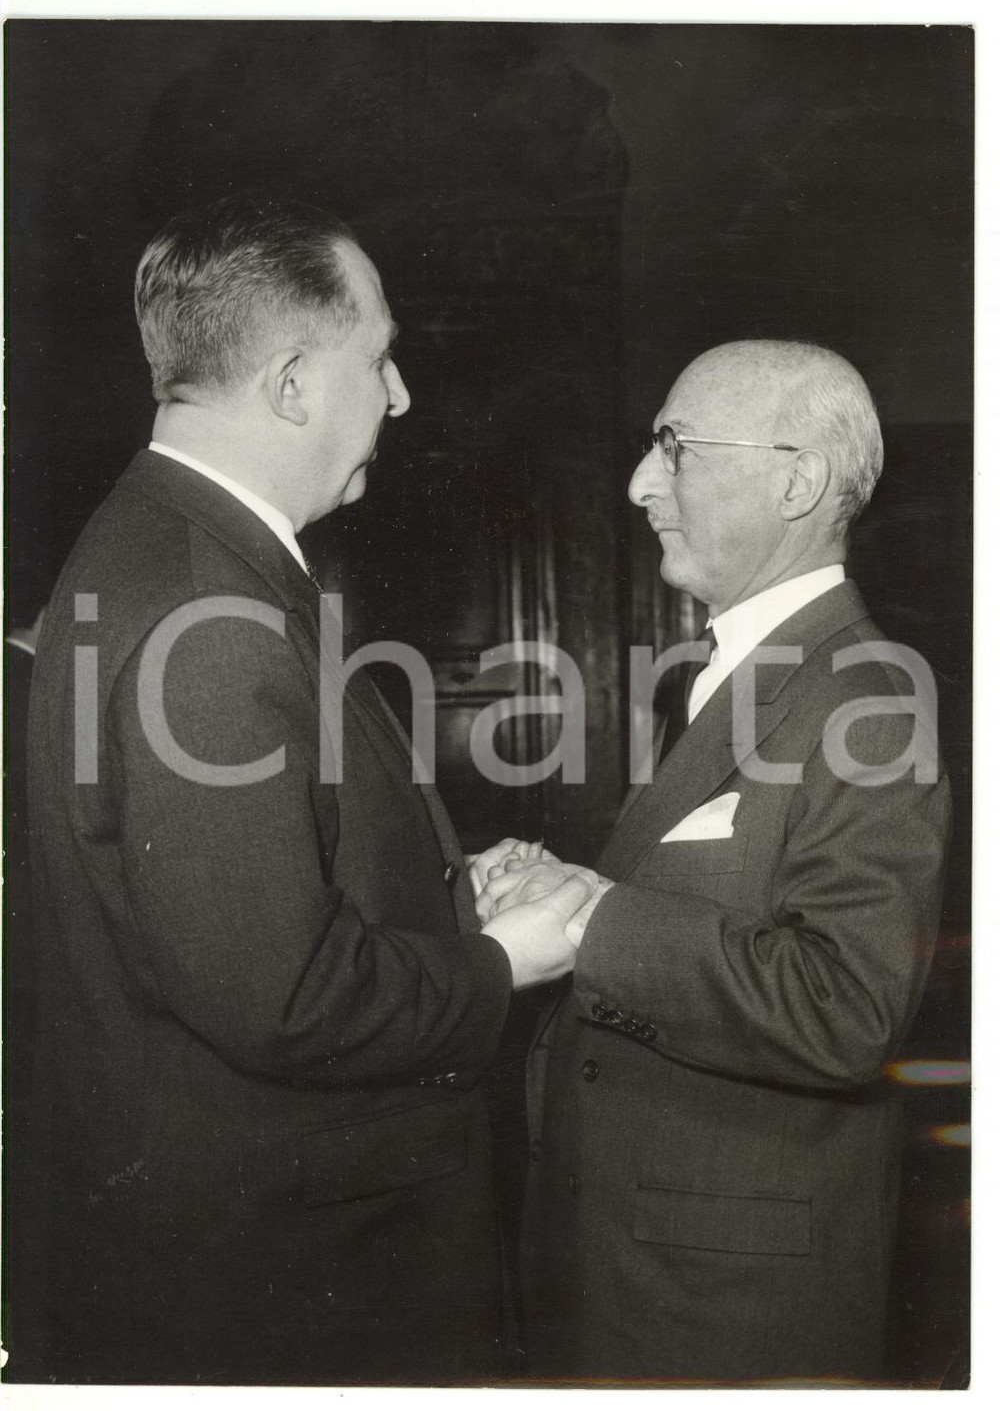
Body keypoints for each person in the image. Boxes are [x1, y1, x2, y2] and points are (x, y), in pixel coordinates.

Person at [19, 194, 589, 1386]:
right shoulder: (206, 610)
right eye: (377, 360)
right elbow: (281, 997)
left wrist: (440, 900)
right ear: (289, 383)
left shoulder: (170, 549)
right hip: (293, 1273)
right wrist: (503, 961)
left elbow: (226, 899)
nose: (399, 398)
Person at [479, 341, 952, 1384]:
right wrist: (553, 888)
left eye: (675, 449)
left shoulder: (862, 698)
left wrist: (592, 916)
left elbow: (844, 1007)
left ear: (796, 480)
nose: (642, 484)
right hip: (645, 1270)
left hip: (723, 1313)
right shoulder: (721, 677)